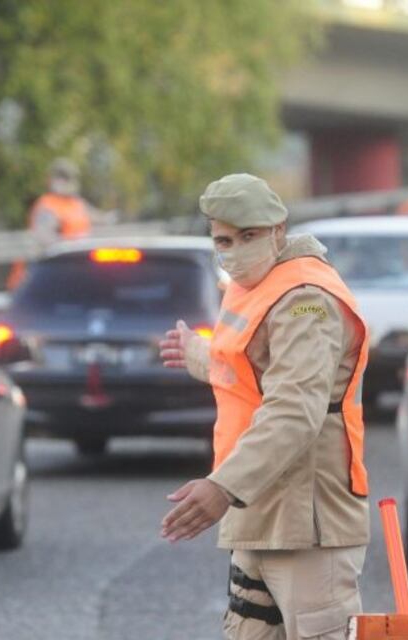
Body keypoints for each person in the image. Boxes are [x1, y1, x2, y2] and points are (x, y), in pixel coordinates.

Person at [158, 173, 371, 640]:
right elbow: (246, 371)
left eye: (248, 236)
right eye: (224, 240)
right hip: (259, 513)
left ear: (279, 229)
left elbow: (295, 409)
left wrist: (222, 487)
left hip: (306, 523)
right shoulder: (254, 285)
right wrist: (198, 354)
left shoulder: (306, 301)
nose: (234, 250)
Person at [6, 158, 93, 289]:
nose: (64, 182)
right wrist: (70, 245)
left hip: (69, 272)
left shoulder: (77, 204)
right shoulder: (47, 204)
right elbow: (44, 238)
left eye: (67, 177)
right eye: (61, 177)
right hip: (38, 278)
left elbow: (98, 222)